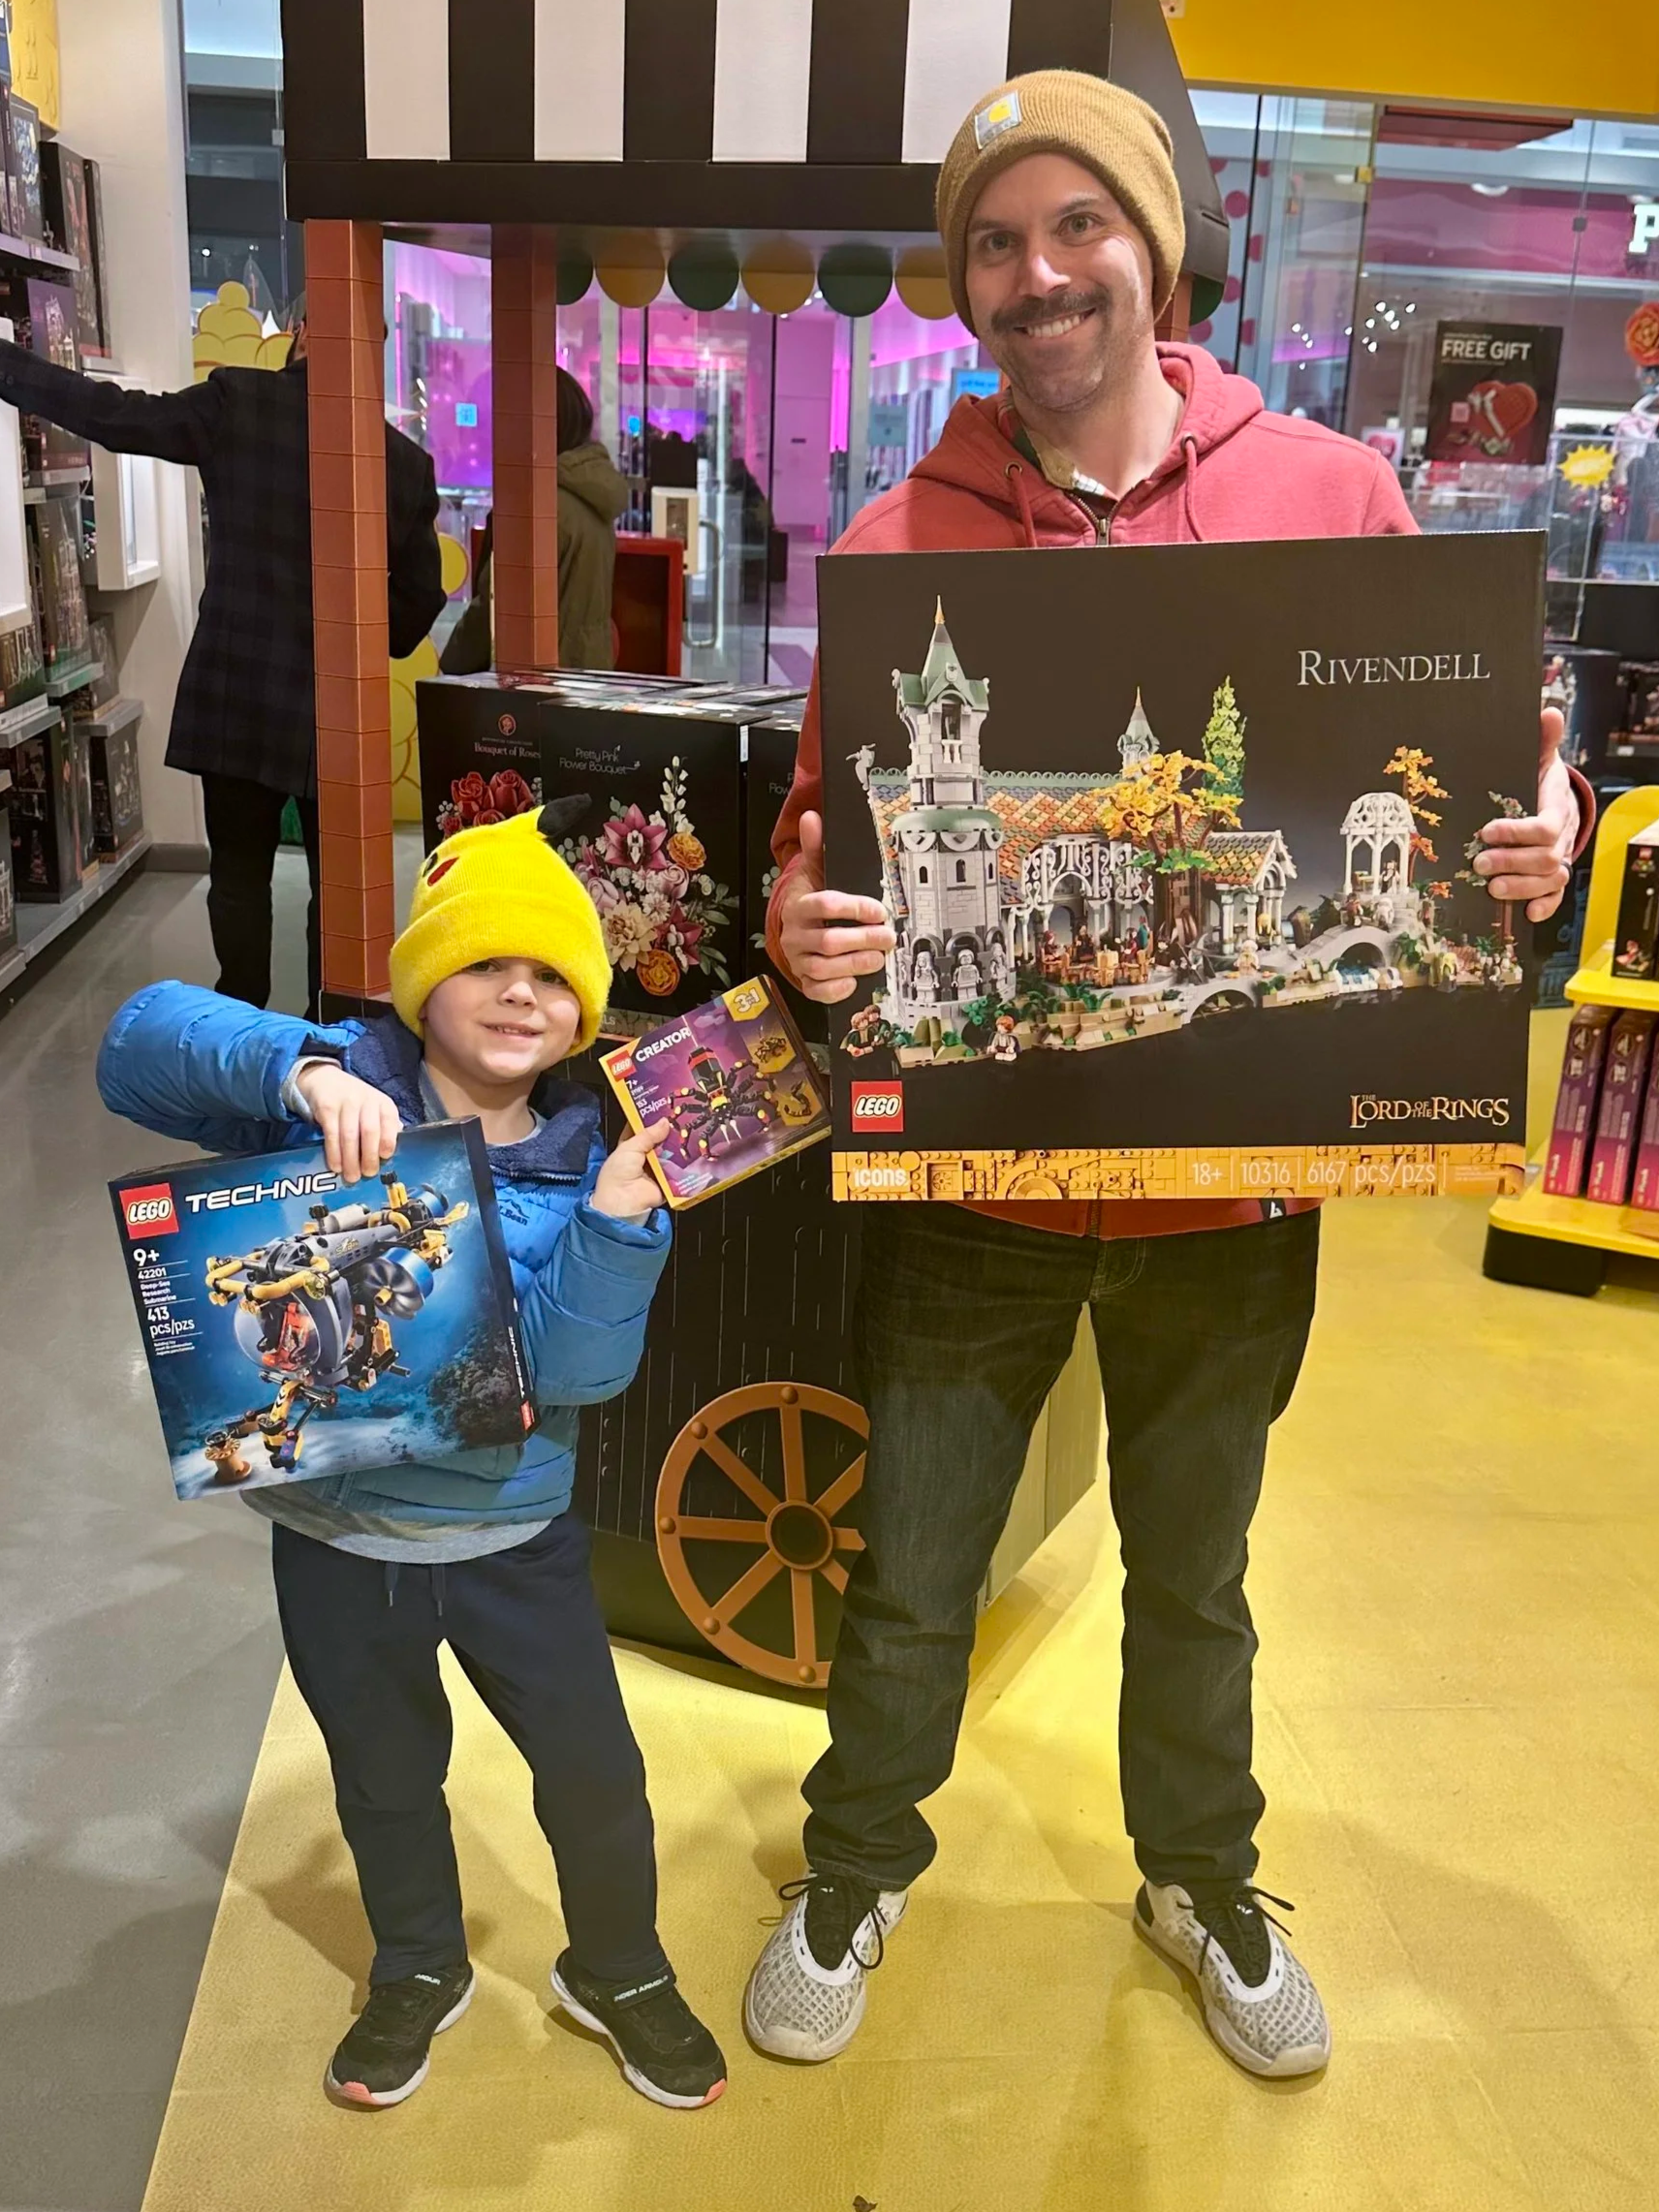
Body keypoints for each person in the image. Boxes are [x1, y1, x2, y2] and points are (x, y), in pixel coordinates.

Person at [752, 69, 1589, 2082]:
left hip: (1230, 1199)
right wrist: (801, 933)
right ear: (964, 285)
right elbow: (816, 848)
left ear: (1156, 244)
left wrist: (1536, 832)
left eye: (1075, 228)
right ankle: (858, 1858)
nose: (1038, 275)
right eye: (996, 243)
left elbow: (1505, 768)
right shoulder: (901, 534)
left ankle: (1196, 1869)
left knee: (1194, 1572)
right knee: (914, 1560)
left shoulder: (1327, 493)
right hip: (982, 1197)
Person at [96, 804, 726, 2114]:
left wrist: (617, 1227)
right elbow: (136, 1044)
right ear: (423, 978)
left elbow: (575, 1374)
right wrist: (306, 1068)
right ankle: (418, 1965)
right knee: (384, 1776)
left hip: (519, 1536)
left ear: (586, 1012)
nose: (519, 991)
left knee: (597, 1772)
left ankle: (619, 1964)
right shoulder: (339, 1098)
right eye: (489, 961)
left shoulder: (581, 1158)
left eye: (556, 973)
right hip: (338, 1545)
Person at [0, 307, 446, 1019]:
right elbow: (420, 602)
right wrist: (363, 628)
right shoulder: (400, 461)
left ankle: (243, 1023)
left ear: (301, 329)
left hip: (236, 692)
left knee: (238, 877)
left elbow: (116, 416)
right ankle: (327, 1032)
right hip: (337, 709)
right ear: (374, 357)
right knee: (339, 887)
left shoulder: (237, 403)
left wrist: (10, 366)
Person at [439, 369, 628, 677]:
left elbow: (494, 611)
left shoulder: (536, 508)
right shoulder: (590, 495)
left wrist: (449, 666)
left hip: (536, 687)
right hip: (586, 677)